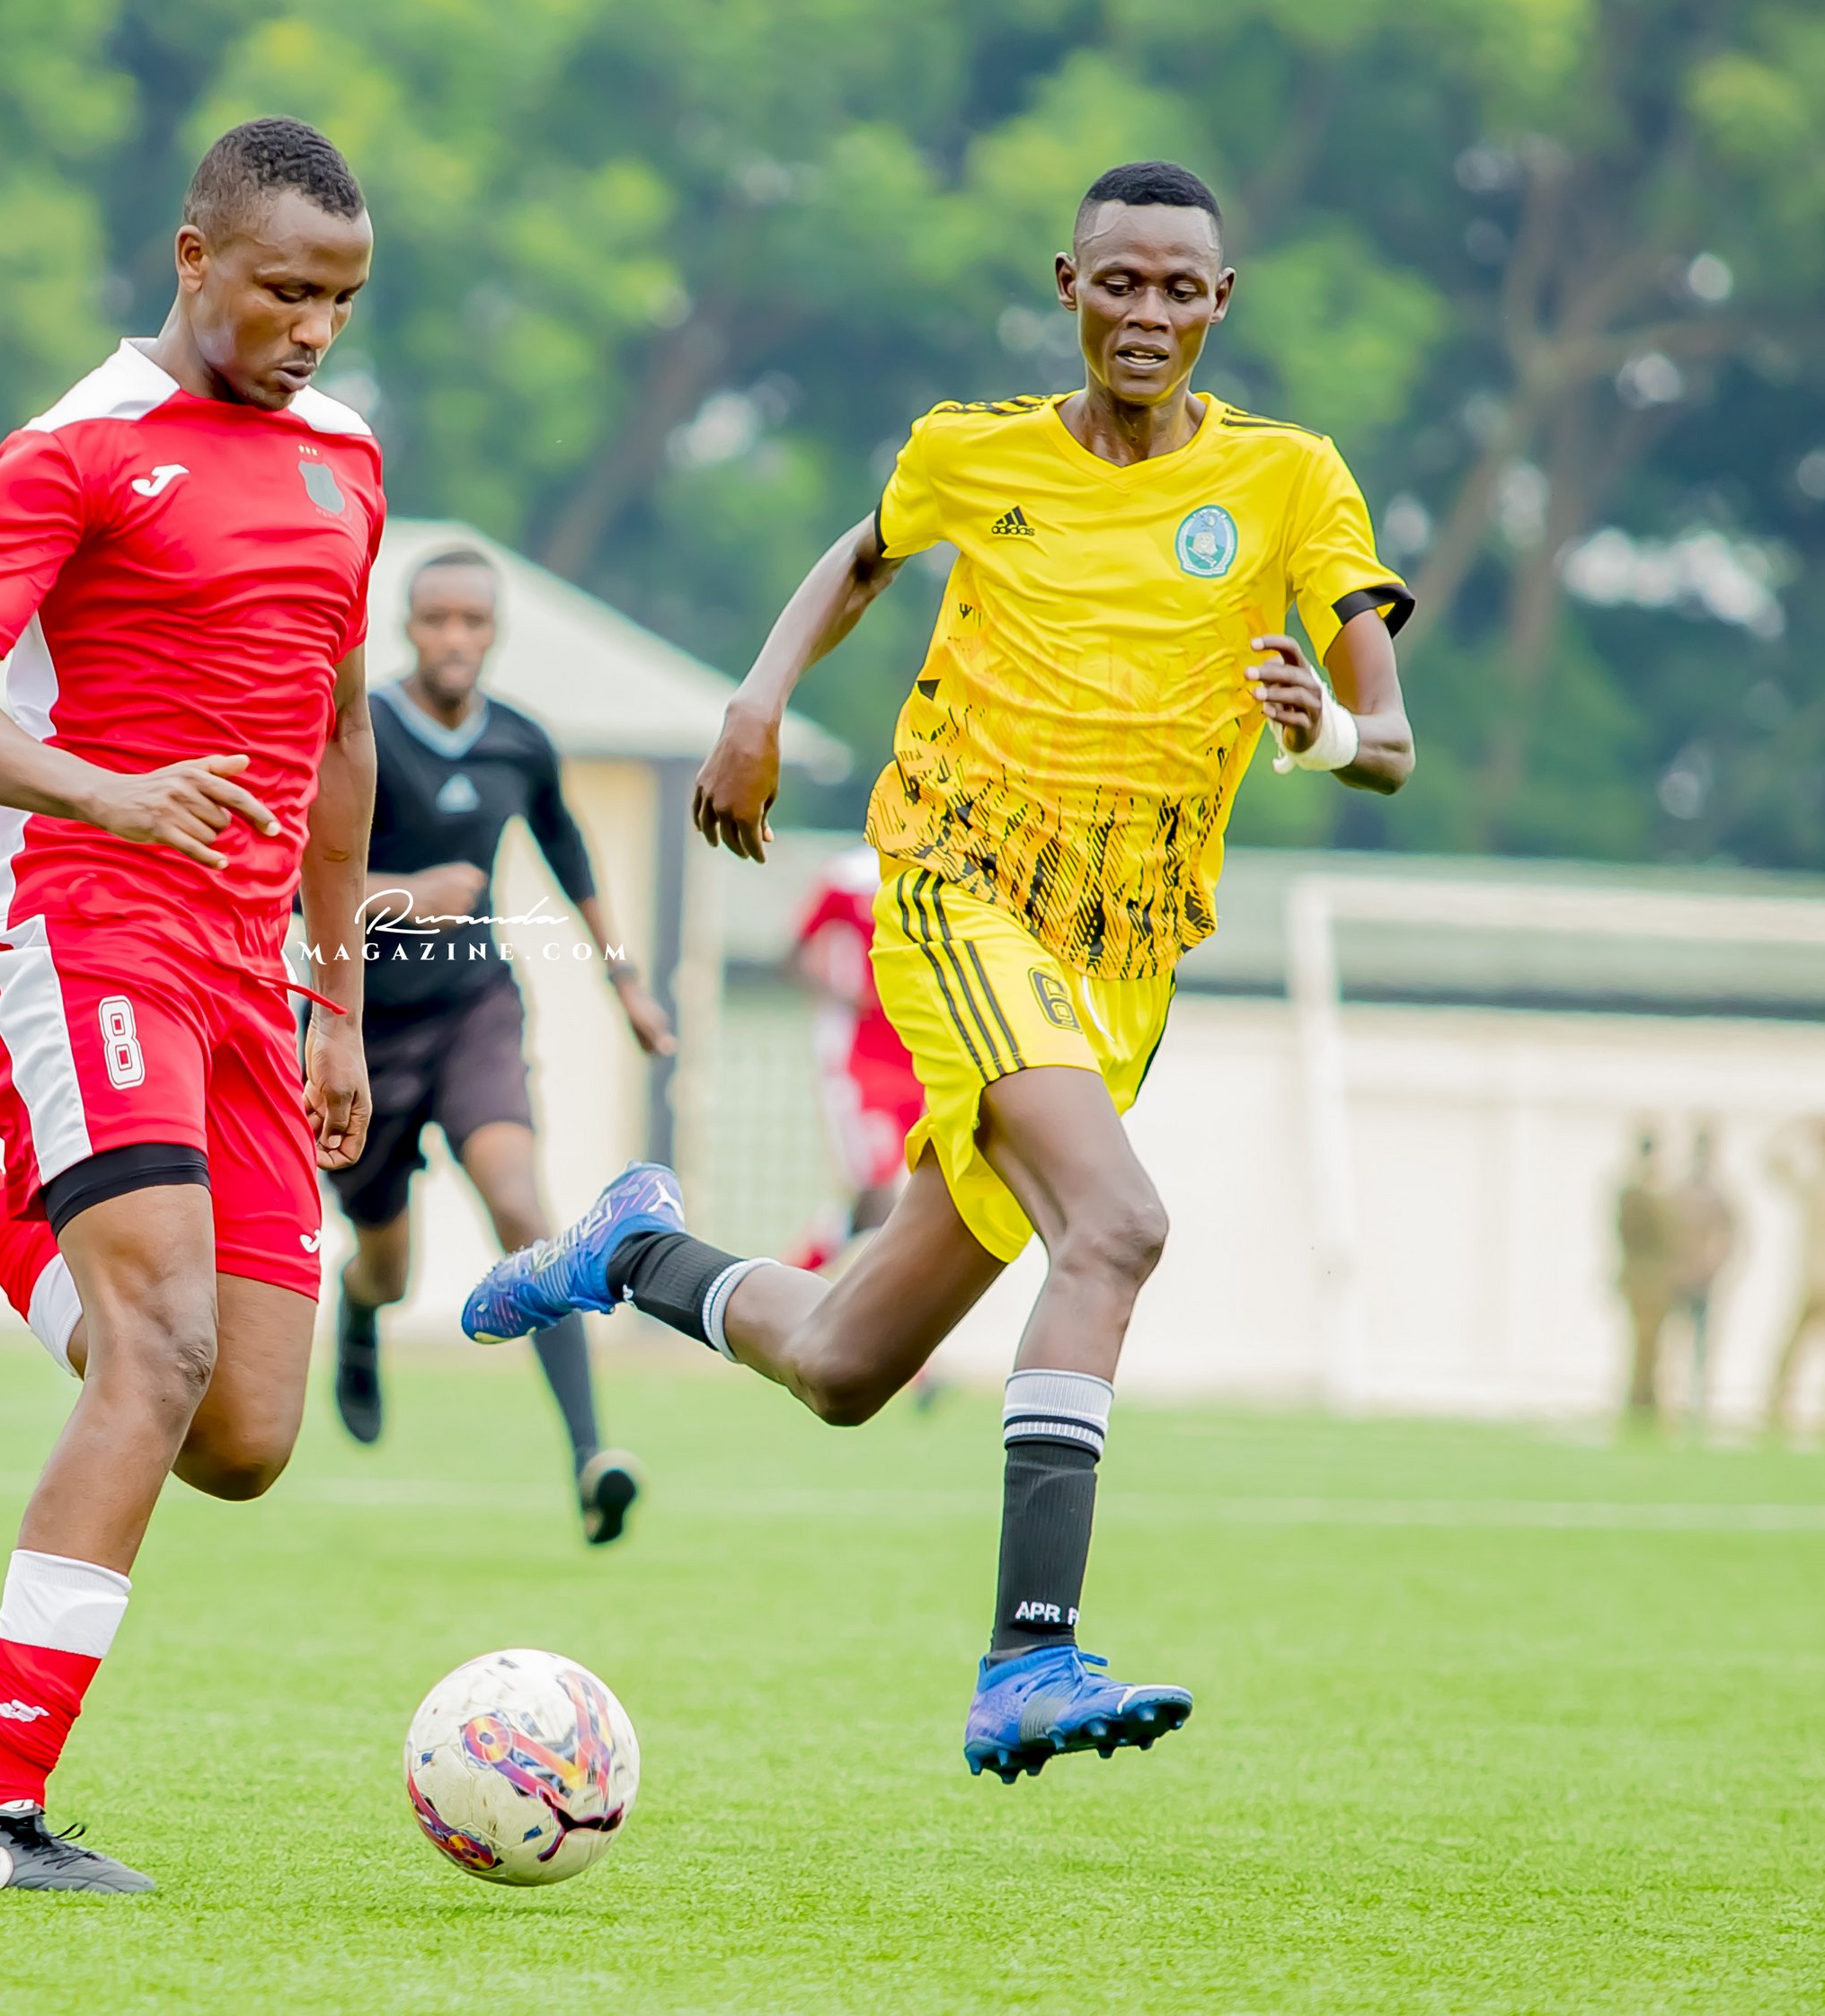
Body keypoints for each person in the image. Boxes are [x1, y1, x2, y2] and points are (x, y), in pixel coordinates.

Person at [461, 161, 1417, 1783]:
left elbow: (1387, 741)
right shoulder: (973, 450)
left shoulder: (1290, 479)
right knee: (1117, 1225)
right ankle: (1029, 1655)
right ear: (1069, 285)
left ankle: (635, 1247)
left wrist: (1321, 727)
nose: (1149, 313)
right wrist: (754, 705)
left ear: (1221, 304)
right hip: (962, 893)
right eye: (1120, 280)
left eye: (1180, 288)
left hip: (1124, 961)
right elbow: (862, 554)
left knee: (847, 1364)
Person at [0, 118, 383, 1894]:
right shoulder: (78, 446)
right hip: (79, 915)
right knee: (162, 1349)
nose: (311, 331)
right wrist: (110, 795)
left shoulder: (347, 461)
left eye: (342, 301)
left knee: (243, 1433)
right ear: (193, 258)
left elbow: (341, 734)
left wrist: (337, 998)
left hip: (250, 965)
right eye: (283, 290)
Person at [324, 544, 677, 1543]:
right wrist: (409, 896)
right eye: (436, 619)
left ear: (494, 632)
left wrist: (625, 984)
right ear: (406, 627)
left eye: (472, 621)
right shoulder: (356, 733)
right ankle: (360, 1310)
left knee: (522, 1206)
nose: (455, 637)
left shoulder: (520, 743)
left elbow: (568, 853)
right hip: (361, 1031)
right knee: (389, 1267)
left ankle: (592, 1458)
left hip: (474, 1009)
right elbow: (300, 888)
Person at [787, 845, 921, 1274]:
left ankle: (789, 1278)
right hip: (859, 1060)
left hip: (922, 1058)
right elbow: (793, 956)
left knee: (898, 1194)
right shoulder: (848, 878)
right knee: (878, 1188)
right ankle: (796, 1284)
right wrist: (847, 999)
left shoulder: (940, 871)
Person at [1665, 1121, 1736, 1423]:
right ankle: (1672, 1404)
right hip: (1677, 1280)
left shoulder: (1715, 1195)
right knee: (1674, 1345)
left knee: (1699, 1349)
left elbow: (1731, 1236)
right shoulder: (1679, 1192)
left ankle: (1696, 1405)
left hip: (1701, 1281)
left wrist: (1714, 1266)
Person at [1762, 1118, 1825, 1435]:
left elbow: (1771, 1163)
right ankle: (1776, 1409)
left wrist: (1795, 1126)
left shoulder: (1814, 1185)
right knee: (1789, 1352)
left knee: (1789, 1352)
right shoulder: (1814, 1184)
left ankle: (1776, 1409)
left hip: (1813, 1282)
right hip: (1812, 1282)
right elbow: (1771, 1165)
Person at [1617, 1127, 1675, 1420]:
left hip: (1653, 1278)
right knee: (1644, 1341)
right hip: (1644, 1278)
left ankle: (1646, 1400)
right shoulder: (1637, 1193)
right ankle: (1641, 1401)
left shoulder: (1645, 1191)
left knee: (1650, 1343)